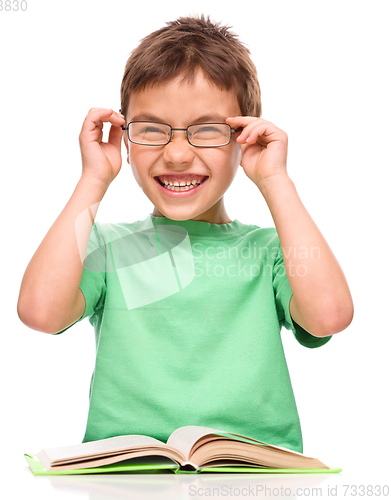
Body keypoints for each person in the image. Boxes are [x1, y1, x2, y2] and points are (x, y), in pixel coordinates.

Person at [17, 15, 353, 453]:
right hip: (126, 481)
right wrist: (93, 179)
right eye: (152, 130)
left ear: (244, 136)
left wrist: (275, 181)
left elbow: (329, 316)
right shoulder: (107, 247)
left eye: (207, 130)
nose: (177, 154)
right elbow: (40, 312)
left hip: (253, 480)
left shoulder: (273, 252)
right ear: (125, 138)